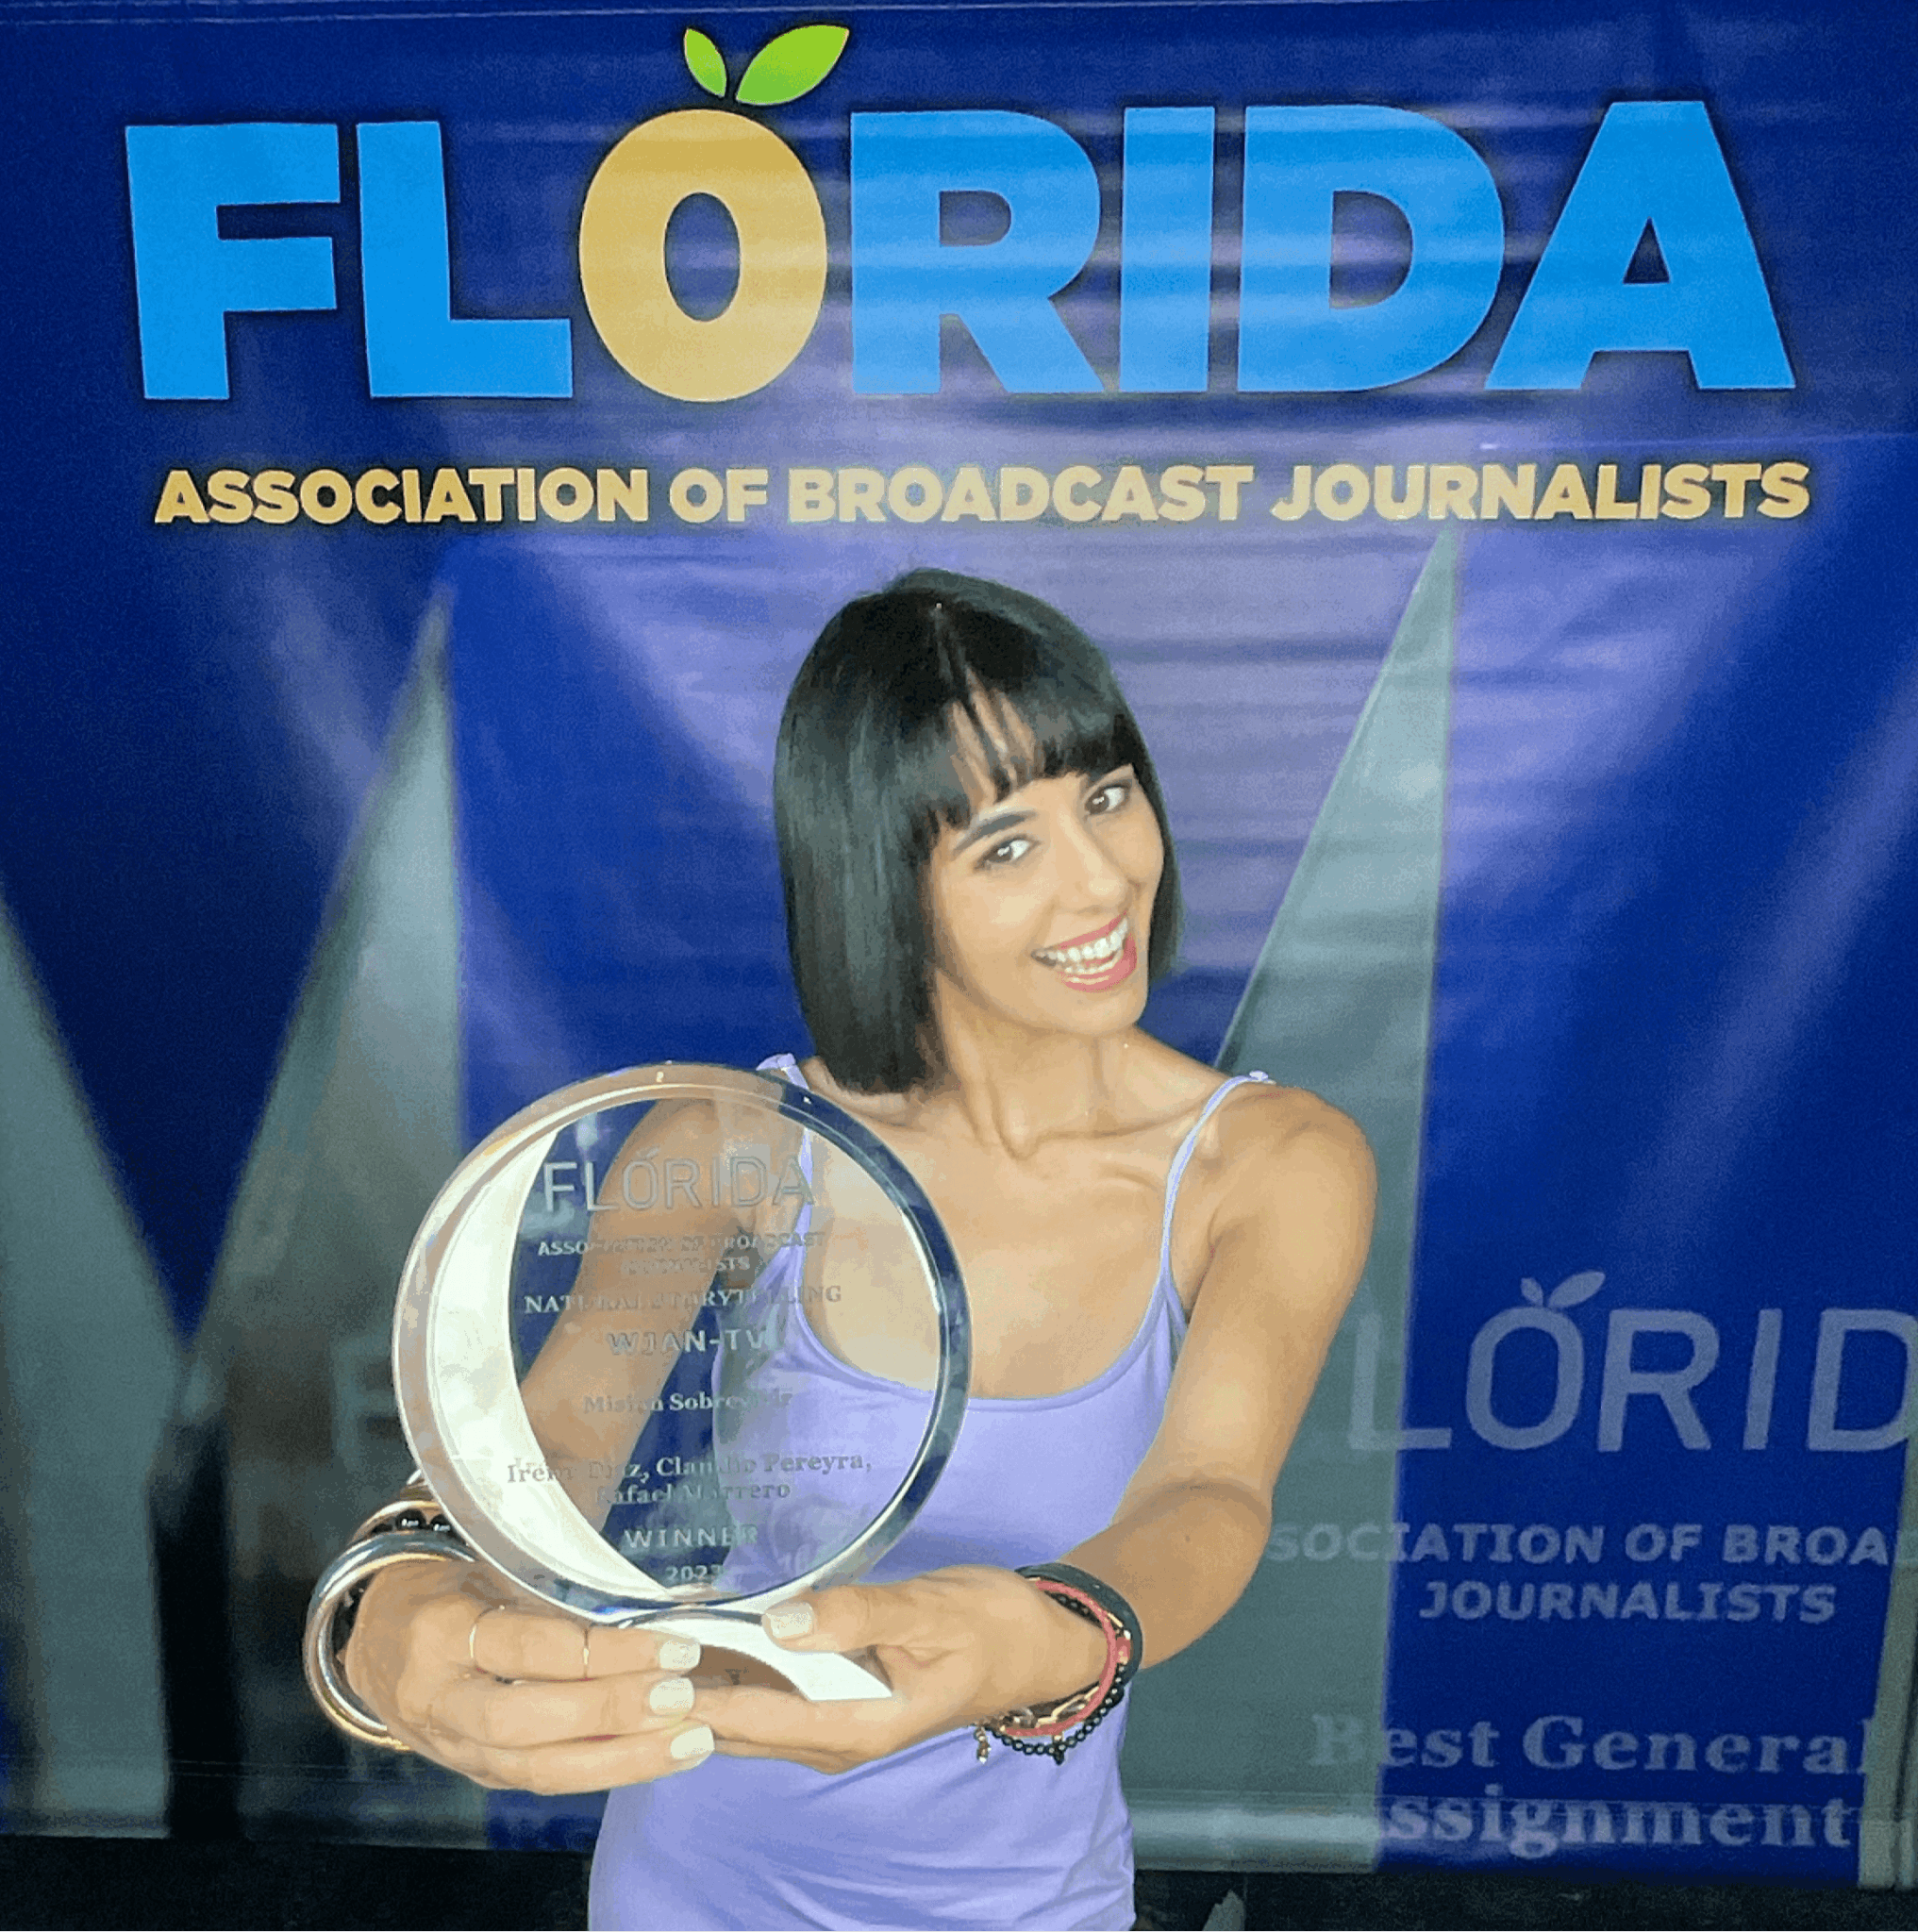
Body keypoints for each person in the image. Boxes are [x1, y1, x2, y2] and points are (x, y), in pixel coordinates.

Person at [325, 569, 1375, 1931]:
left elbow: (1211, 1494)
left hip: (1027, 1902)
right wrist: (400, 1590)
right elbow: (551, 1448)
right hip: (696, 1883)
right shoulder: (732, 1146)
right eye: (1007, 846)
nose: (1105, 875)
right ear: (884, 884)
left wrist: (1047, 1632)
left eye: (1108, 796)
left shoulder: (1270, 1164)